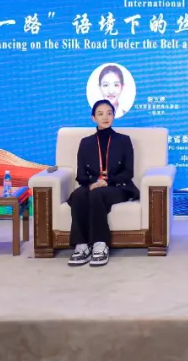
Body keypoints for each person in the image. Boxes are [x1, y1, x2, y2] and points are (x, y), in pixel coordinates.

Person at [67, 99, 138, 267]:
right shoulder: (86, 143)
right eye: (100, 114)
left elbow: (128, 172)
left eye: (109, 113)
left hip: (118, 186)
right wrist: (91, 183)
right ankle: (82, 245)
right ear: (93, 118)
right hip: (92, 184)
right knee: (78, 195)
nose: (105, 117)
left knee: (97, 195)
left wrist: (107, 181)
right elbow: (81, 174)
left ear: (114, 116)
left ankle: (100, 244)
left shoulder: (124, 140)